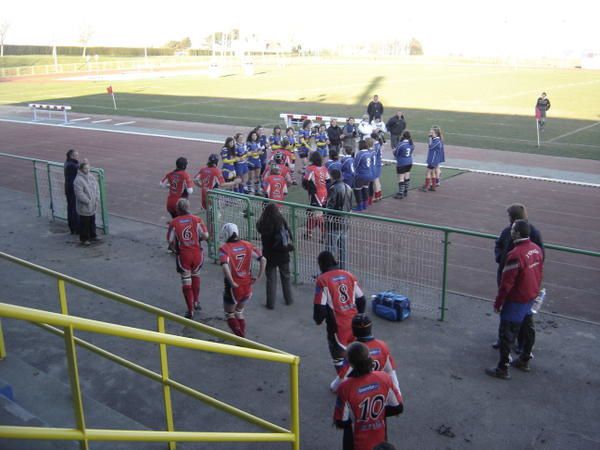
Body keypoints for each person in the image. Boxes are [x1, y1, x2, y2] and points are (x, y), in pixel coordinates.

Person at [486, 220, 544, 380]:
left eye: (512, 229)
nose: (510, 231)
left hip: (516, 299)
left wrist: (499, 302)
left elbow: (506, 283)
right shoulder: (536, 249)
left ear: (517, 233)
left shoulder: (515, 254)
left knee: (506, 334)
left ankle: (502, 368)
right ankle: (525, 359)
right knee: (528, 328)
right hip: (530, 296)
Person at [333, 341, 403, 450]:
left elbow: (341, 421)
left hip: (356, 441)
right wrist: (378, 415)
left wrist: (361, 418)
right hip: (379, 438)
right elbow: (398, 408)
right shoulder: (383, 378)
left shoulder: (345, 387)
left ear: (350, 363)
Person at [493, 204, 544, 351]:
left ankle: (514, 349)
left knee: (519, 316)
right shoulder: (508, 231)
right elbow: (498, 245)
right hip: (518, 280)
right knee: (513, 314)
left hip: (521, 284)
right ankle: (512, 345)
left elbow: (540, 257)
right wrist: (500, 257)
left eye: (509, 216)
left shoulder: (531, 232)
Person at [314, 251, 366, 374]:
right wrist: (359, 316)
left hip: (338, 328)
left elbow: (319, 310)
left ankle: (347, 386)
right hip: (355, 325)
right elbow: (362, 300)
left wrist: (318, 320)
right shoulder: (348, 275)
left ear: (321, 264)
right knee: (357, 356)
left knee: (340, 362)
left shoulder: (322, 280)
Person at [330, 314, 400, 393]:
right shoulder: (383, 345)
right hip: (379, 387)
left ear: (353, 330)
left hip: (360, 391)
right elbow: (391, 372)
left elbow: (343, 376)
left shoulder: (353, 350)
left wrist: (334, 386)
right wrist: (397, 391)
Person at [219, 223, 266, 337]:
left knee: (229, 314)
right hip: (247, 286)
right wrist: (259, 277)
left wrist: (231, 281)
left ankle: (241, 338)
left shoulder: (224, 248)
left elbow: (225, 266)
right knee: (239, 312)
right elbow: (263, 259)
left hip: (234, 287)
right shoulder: (248, 245)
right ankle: (242, 336)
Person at [167, 199, 209, 319]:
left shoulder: (174, 223)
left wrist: (175, 249)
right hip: (197, 254)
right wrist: (198, 239)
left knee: (186, 281)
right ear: (188, 207)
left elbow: (170, 241)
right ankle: (196, 302)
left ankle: (190, 310)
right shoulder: (197, 219)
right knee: (196, 275)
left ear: (178, 209)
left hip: (184, 255)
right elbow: (206, 236)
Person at [256, 203, 294, 309]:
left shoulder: (263, 223)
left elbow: (258, 228)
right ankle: (288, 299)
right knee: (286, 276)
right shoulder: (281, 221)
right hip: (282, 253)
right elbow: (287, 235)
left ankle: (270, 303)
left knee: (271, 279)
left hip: (269, 254)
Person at [326, 168, 352, 269]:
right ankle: (342, 269)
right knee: (343, 249)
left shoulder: (334, 188)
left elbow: (329, 206)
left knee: (330, 249)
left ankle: (328, 271)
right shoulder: (348, 187)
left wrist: (326, 217)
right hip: (345, 222)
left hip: (335, 223)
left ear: (332, 176)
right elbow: (350, 205)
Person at [302, 151, 330, 240]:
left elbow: (306, 180)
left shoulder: (310, 168)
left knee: (318, 215)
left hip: (315, 194)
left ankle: (324, 235)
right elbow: (328, 180)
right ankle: (308, 232)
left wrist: (303, 174)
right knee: (312, 213)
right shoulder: (324, 168)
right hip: (324, 192)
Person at [73, 160, 100, 246]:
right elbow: (79, 193)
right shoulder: (78, 180)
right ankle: (84, 239)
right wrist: (87, 201)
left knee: (92, 220)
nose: (87, 170)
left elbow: (97, 187)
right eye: (85, 168)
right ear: (81, 169)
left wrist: (96, 198)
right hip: (85, 205)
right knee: (84, 223)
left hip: (93, 204)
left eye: (88, 168)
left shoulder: (91, 177)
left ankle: (93, 235)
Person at [419, 126, 444, 192]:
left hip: (433, 160)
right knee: (433, 172)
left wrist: (429, 138)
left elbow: (430, 146)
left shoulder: (437, 141)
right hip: (433, 160)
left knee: (428, 172)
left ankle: (426, 187)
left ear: (435, 133)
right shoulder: (436, 140)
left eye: (431, 132)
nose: (430, 133)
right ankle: (433, 187)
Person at [352, 139, 374, 211]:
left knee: (357, 190)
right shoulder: (369, 153)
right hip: (369, 174)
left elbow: (355, 165)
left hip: (361, 175)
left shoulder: (360, 154)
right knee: (365, 189)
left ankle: (360, 207)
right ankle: (365, 205)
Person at [393, 131, 415, 199]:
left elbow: (396, 153)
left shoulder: (401, 144)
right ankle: (405, 191)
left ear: (403, 136)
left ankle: (400, 193)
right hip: (409, 162)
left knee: (401, 178)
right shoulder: (411, 144)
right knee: (407, 176)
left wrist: (394, 151)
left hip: (402, 162)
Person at [64, 149, 80, 235]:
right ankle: (76, 228)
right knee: (74, 208)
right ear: (71, 156)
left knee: (71, 208)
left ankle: (72, 228)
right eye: (76, 155)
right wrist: (87, 163)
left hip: (68, 188)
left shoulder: (67, 163)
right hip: (72, 189)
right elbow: (82, 169)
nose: (78, 156)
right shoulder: (72, 165)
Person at [246, 130, 263, 194]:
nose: (254, 136)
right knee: (250, 177)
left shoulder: (258, 143)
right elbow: (248, 153)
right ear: (251, 136)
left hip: (257, 161)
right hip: (251, 161)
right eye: (253, 135)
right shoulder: (248, 143)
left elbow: (260, 151)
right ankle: (249, 190)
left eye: (255, 135)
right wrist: (256, 152)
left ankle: (257, 191)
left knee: (257, 177)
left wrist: (257, 152)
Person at [370, 132, 384, 202]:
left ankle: (376, 196)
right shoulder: (379, 144)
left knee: (375, 181)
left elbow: (373, 155)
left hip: (375, 164)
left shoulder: (375, 146)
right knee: (377, 180)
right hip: (379, 163)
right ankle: (379, 194)